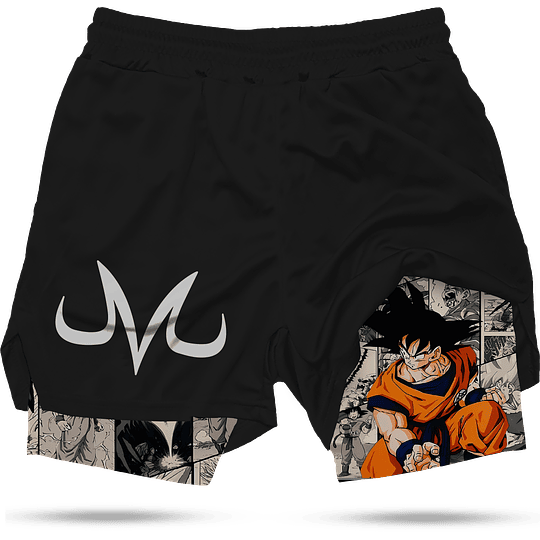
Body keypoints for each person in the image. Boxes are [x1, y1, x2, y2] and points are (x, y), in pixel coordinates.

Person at [360, 282, 510, 479]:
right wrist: (410, 452)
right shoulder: (389, 384)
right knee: (379, 464)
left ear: (436, 352)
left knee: (489, 412)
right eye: (404, 352)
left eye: (416, 354)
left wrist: (481, 396)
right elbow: (392, 430)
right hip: (412, 439)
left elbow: (464, 395)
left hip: (451, 429)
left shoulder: (462, 358)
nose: (408, 360)